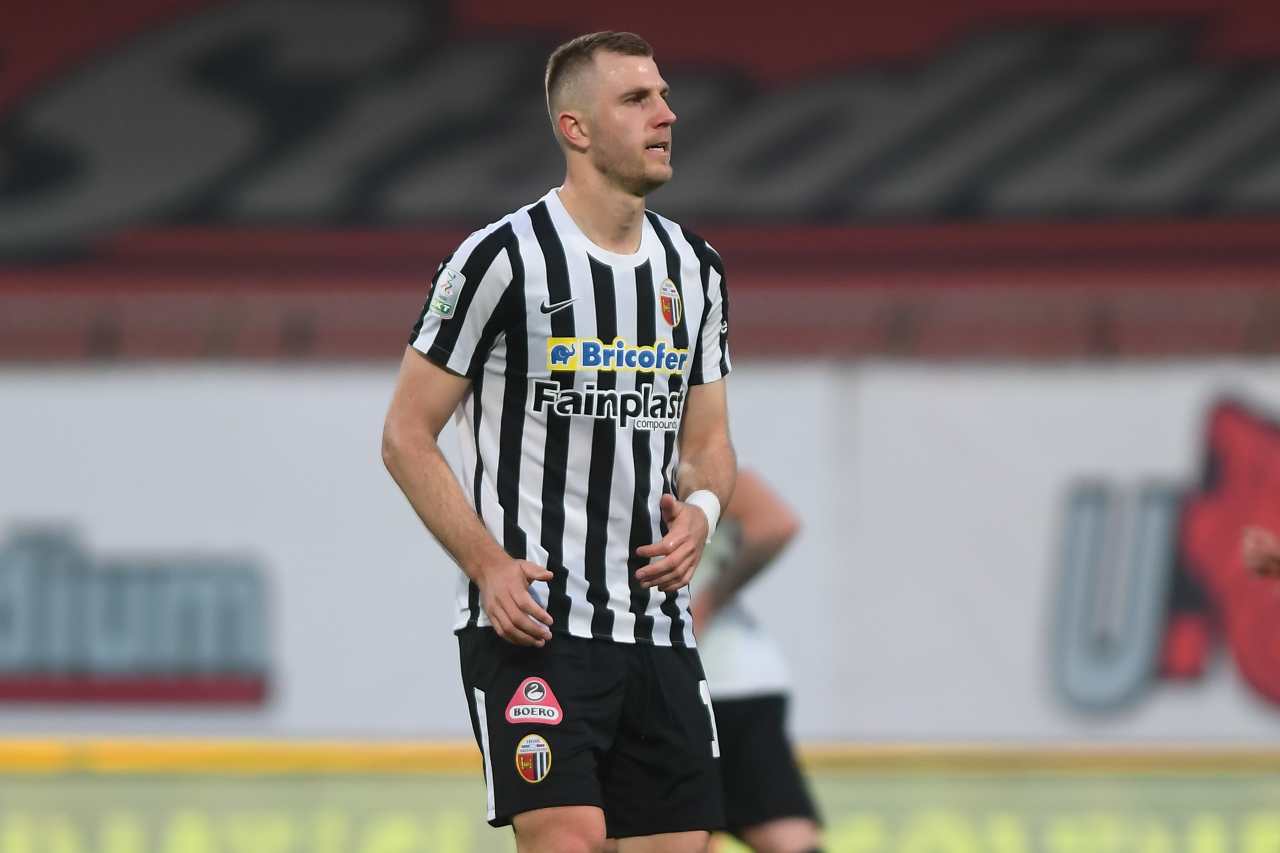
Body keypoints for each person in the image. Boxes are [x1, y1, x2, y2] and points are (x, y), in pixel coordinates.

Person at [381, 31, 736, 853]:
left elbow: (711, 443)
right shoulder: (500, 260)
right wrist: (487, 564)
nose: (666, 114)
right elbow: (405, 434)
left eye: (663, 95)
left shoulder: (696, 269)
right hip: (535, 628)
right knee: (569, 840)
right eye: (636, 99)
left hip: (657, 631)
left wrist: (704, 512)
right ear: (575, 128)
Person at [691, 470, 824, 853]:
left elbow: (776, 522)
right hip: (723, 678)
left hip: (719, 678)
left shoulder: (685, 460)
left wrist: (706, 602)